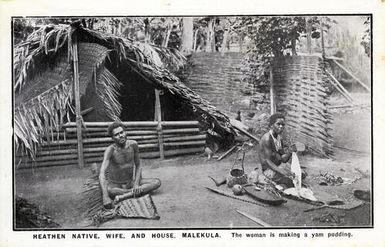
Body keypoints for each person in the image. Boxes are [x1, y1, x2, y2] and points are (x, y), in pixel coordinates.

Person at [99, 122, 161, 209]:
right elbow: (102, 173)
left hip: (130, 182)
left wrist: (136, 184)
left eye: (122, 132)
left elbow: (138, 165)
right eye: (117, 134)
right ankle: (134, 193)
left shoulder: (133, 145)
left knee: (156, 182)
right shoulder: (110, 150)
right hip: (117, 186)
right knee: (109, 190)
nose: (120, 135)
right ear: (112, 138)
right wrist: (105, 197)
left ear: (125, 132)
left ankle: (123, 196)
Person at [255, 113, 303, 188]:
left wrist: (290, 151)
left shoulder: (279, 138)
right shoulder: (267, 139)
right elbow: (268, 161)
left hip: (277, 166)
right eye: (278, 124)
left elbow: (283, 159)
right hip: (267, 169)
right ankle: (277, 184)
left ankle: (280, 184)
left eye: (283, 125)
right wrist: (283, 172)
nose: (281, 126)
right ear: (271, 125)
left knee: (301, 174)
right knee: (291, 180)